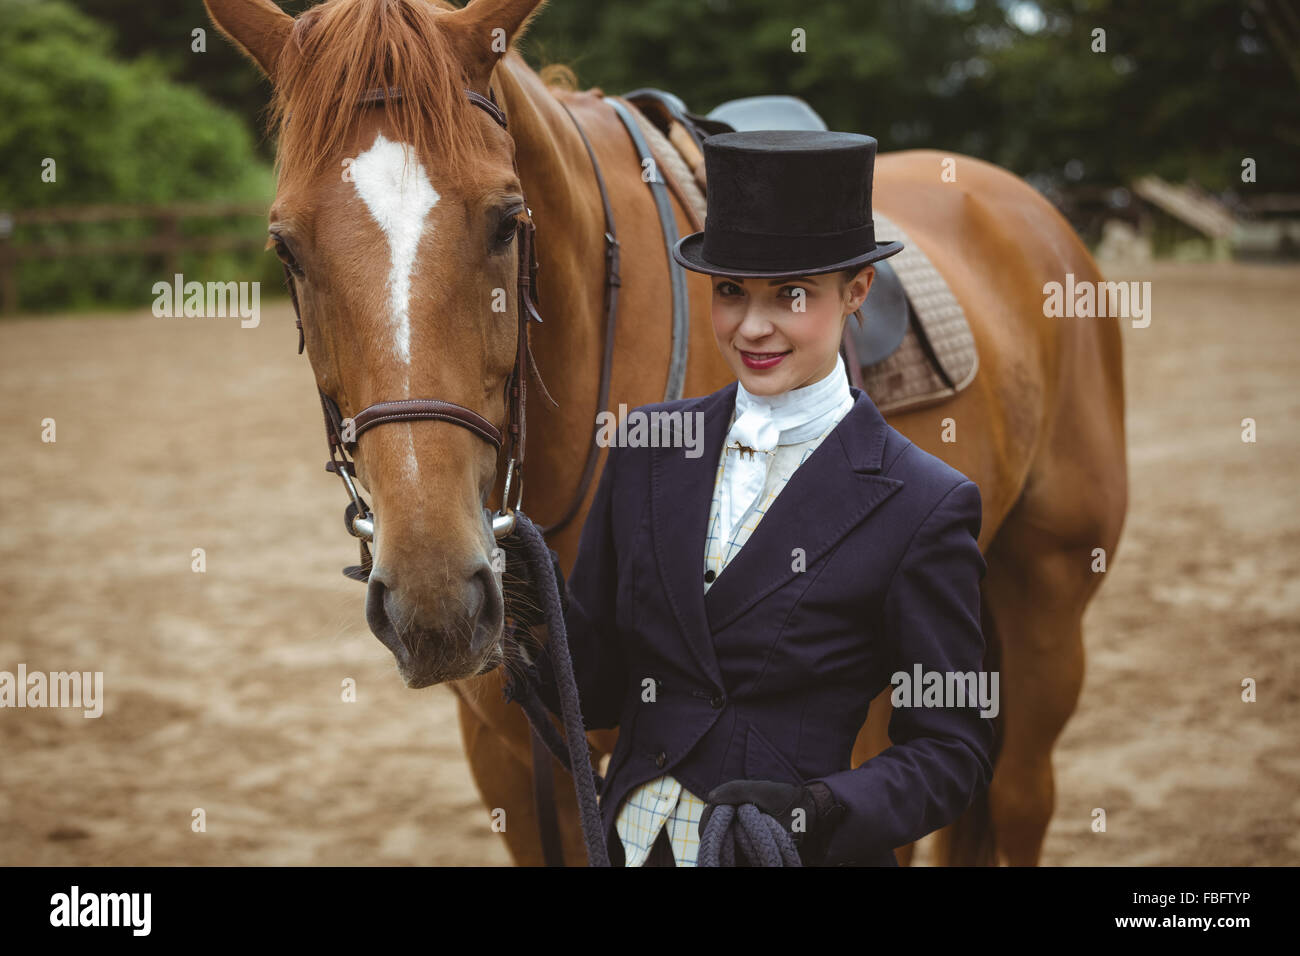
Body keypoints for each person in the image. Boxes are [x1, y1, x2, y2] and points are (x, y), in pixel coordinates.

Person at [523, 129, 994, 866]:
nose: (752, 326)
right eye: (732, 292)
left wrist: (822, 810)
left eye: (791, 295)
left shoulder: (926, 505)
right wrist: (530, 607)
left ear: (856, 292)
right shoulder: (646, 444)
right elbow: (602, 691)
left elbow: (952, 748)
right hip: (628, 844)